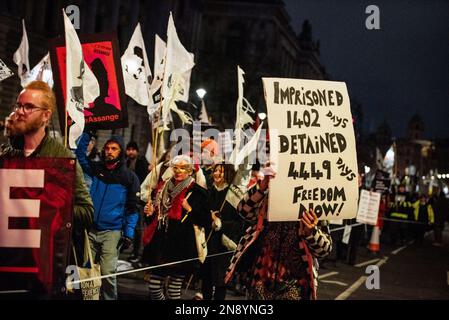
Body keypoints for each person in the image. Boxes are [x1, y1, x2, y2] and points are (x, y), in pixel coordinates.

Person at [0, 81, 94, 297]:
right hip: (9, 264)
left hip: (43, 269)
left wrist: (48, 209)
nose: (20, 112)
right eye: (18, 105)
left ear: (45, 116)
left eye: (28, 107)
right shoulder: (7, 156)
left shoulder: (62, 160)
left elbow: (87, 212)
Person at [224, 164, 332, 300]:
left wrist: (311, 232)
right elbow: (242, 210)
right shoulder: (269, 194)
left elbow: (325, 250)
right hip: (261, 277)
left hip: (295, 284)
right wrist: (262, 186)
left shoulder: (314, 203)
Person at [75, 132, 140, 300]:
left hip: (112, 232)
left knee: (107, 273)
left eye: (114, 149)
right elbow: (79, 157)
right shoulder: (97, 169)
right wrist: (88, 133)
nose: (109, 151)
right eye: (107, 148)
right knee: (88, 272)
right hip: (90, 229)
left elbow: (133, 209)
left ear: (121, 152)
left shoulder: (129, 177)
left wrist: (129, 234)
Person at [143, 155, 210, 300]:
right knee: (154, 287)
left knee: (174, 291)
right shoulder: (162, 187)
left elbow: (205, 220)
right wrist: (149, 213)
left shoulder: (197, 191)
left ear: (190, 171)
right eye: (176, 168)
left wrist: (190, 209)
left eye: (183, 168)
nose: (179, 171)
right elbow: (155, 217)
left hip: (182, 246)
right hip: (162, 242)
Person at [200, 163, 243, 300]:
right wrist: (209, 218)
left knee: (220, 280)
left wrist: (221, 224)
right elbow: (202, 213)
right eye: (215, 170)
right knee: (206, 278)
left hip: (223, 244)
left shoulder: (234, 194)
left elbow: (240, 222)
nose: (216, 174)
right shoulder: (209, 191)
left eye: (221, 171)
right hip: (207, 240)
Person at [125, 141, 150, 263]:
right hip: (128, 197)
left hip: (139, 199)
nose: (130, 152)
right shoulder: (126, 161)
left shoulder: (141, 162)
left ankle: (136, 253)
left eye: (132, 150)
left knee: (138, 227)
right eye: (128, 149)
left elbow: (143, 181)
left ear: (137, 151)